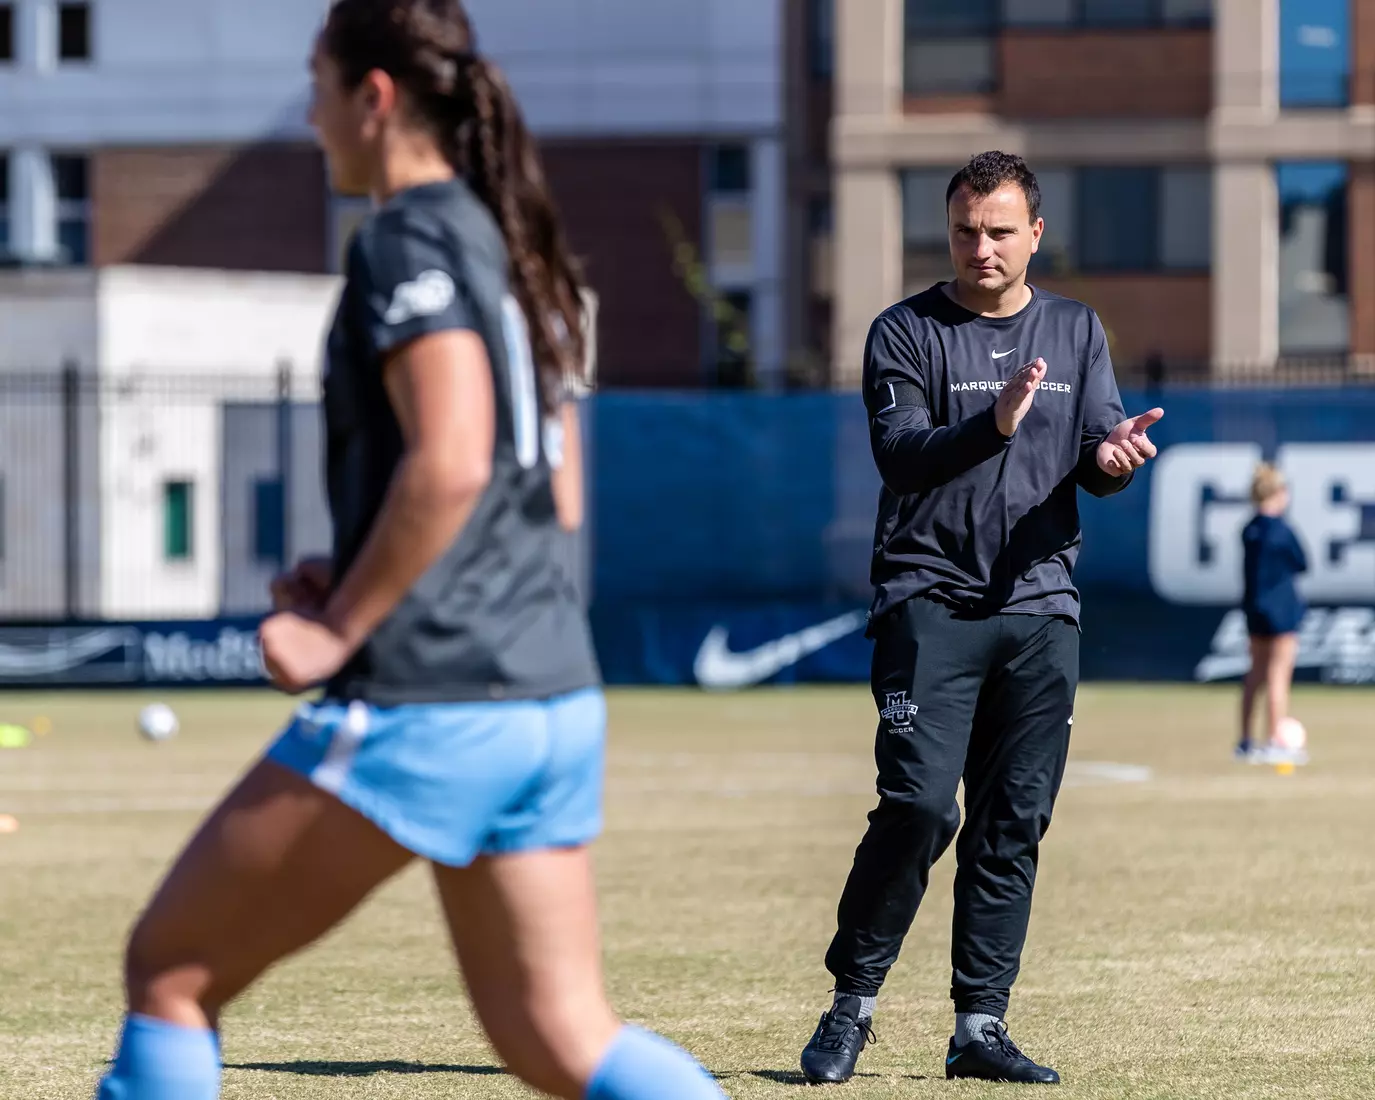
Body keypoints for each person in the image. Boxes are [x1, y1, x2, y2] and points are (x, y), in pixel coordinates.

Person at [93, 4, 726, 1099]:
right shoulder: (503, 242)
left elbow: (452, 461)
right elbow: (553, 496)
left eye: (317, 85)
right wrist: (363, 569)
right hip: (549, 695)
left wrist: (341, 624)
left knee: (168, 972)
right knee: (562, 1042)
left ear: (374, 97)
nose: (309, 115)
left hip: (439, 698)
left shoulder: (408, 234)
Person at [798, 151, 1164, 1086]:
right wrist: (993, 422)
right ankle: (852, 1004)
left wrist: (1112, 462)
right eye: (966, 230)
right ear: (947, 230)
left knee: (1013, 822)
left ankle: (978, 1028)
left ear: (1034, 233)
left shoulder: (1076, 331)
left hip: (1041, 608)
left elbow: (1091, 454)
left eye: (1000, 230)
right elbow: (903, 457)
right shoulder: (905, 331)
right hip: (929, 604)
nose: (981, 247)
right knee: (920, 808)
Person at [1237, 463, 1308, 763]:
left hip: (1255, 608)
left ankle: (1245, 741)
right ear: (1278, 493)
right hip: (1282, 611)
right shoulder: (1282, 530)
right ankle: (1276, 741)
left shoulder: (1250, 529)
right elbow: (1302, 562)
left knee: (1255, 674)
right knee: (1279, 676)